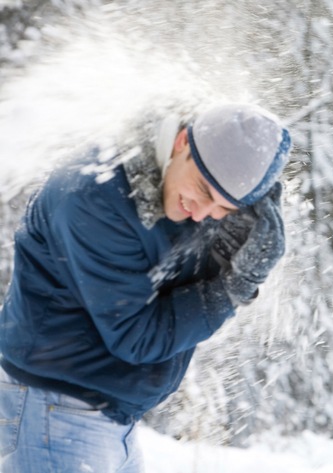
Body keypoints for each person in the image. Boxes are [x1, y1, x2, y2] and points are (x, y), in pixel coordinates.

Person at [0, 102, 292, 472]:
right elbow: (136, 336)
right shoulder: (96, 195)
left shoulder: (174, 187)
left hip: (104, 419)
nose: (202, 213)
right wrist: (233, 286)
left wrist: (222, 256)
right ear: (182, 142)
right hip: (54, 414)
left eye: (222, 208)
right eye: (203, 190)